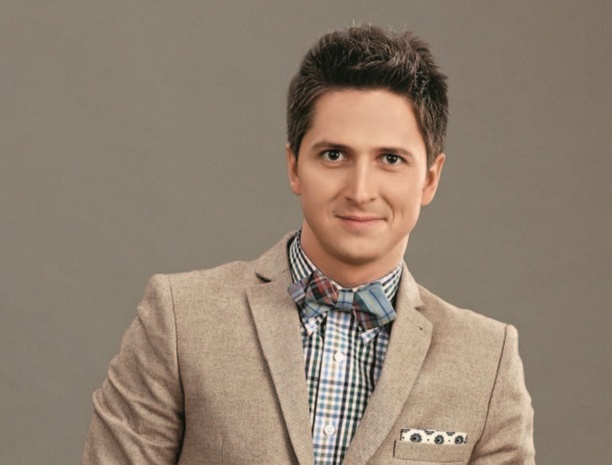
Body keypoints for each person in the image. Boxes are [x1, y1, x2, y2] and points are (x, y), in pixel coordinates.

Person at [82, 24, 535, 465]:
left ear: (430, 179)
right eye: (334, 155)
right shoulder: (181, 319)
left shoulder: (486, 361)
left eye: (390, 159)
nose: (360, 190)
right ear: (295, 166)